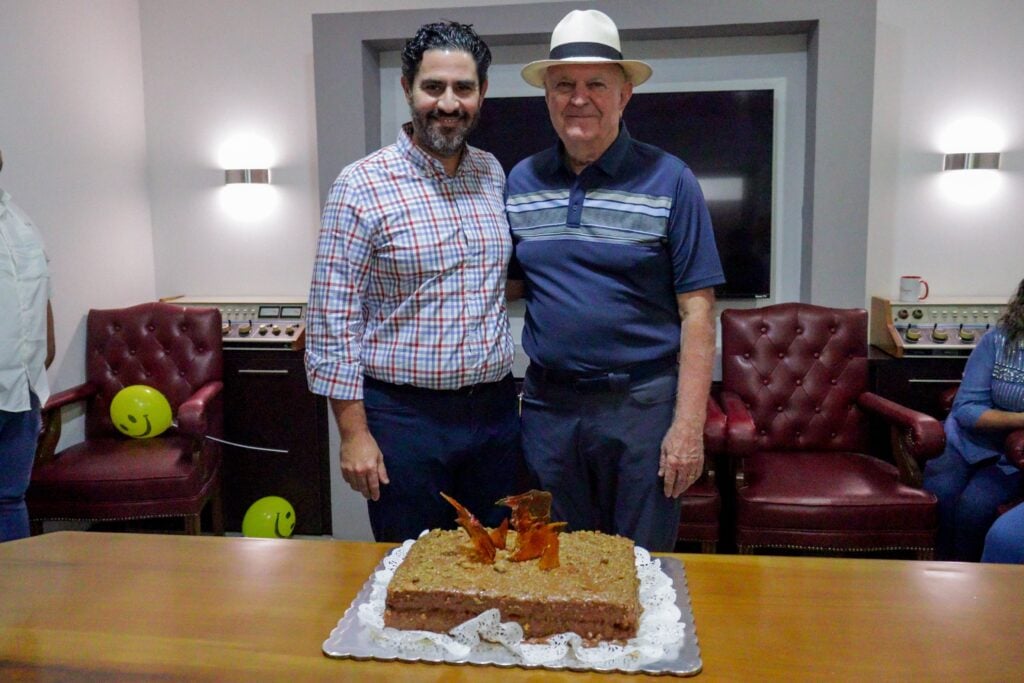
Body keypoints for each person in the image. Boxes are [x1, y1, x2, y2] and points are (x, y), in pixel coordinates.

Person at [505, 10, 725, 552]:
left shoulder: (672, 179)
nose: (579, 98)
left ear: (625, 94)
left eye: (596, 84)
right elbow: (505, 284)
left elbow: (698, 310)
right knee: (556, 564)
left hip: (641, 411)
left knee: (641, 570)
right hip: (548, 411)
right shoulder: (520, 182)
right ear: (547, 96)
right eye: (564, 85)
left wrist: (687, 429)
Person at [305, 21, 525, 542]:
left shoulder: (492, 173)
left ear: (481, 93)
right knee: (410, 571)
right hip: (403, 421)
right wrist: (353, 434)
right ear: (408, 89)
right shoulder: (360, 185)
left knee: (493, 561)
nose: (448, 103)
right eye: (433, 87)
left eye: (463, 88)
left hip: (495, 415)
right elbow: (331, 320)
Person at [923, 277, 1024, 561]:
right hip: (963, 440)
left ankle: (968, 583)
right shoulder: (998, 339)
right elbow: (967, 408)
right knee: (941, 496)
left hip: (1010, 455)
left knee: (974, 507)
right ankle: (933, 575)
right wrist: (1020, 419)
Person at [1, 147, 55, 543]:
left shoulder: (21, 223)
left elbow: (41, 295)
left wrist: (41, 364)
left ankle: (16, 599)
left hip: (23, 390)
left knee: (10, 500)